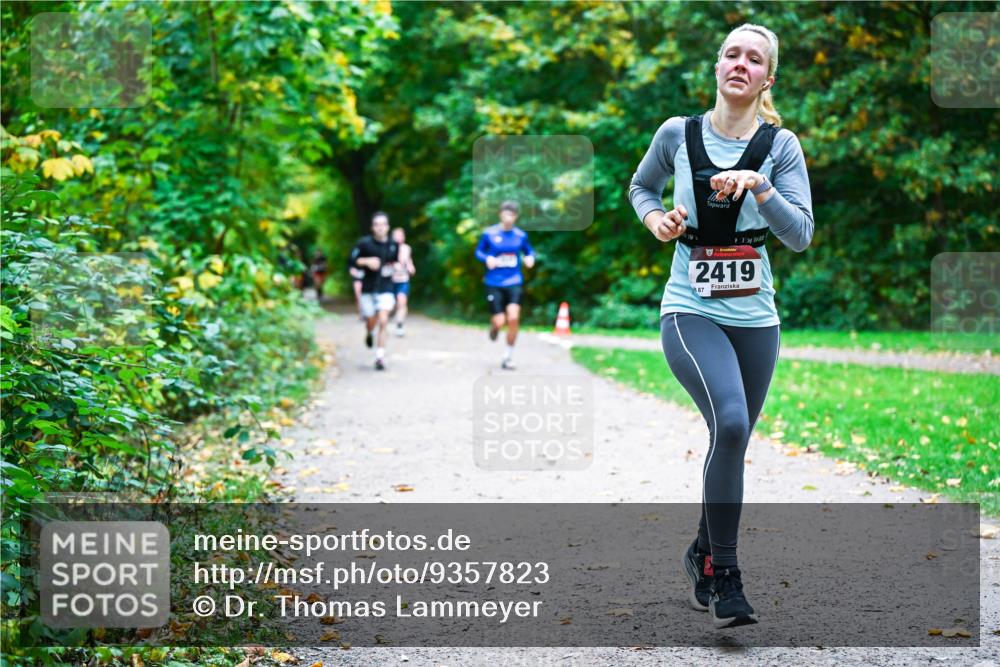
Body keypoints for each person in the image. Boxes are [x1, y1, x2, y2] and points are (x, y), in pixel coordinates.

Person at [628, 23, 813, 629]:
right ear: (717, 66)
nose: (740, 63)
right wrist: (656, 218)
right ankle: (724, 576)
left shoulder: (780, 147)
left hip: (757, 316)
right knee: (730, 421)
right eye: (731, 54)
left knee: (730, 437)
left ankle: (700, 550)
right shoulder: (677, 135)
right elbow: (640, 186)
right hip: (690, 308)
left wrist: (761, 189)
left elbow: (800, 235)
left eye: (754, 58)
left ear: (767, 77)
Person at [474, 200, 535, 370]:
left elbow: (529, 251)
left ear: (516, 217)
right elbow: (478, 252)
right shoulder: (489, 234)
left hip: (514, 281)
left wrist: (530, 258)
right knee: (500, 321)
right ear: (500, 214)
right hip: (493, 282)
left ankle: (508, 356)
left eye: (512, 215)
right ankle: (494, 328)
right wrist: (488, 258)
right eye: (506, 214)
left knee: (514, 317)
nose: (509, 218)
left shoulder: (520, 236)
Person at [348, 212, 400, 371]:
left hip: (386, 288)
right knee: (371, 320)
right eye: (377, 224)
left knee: (383, 320)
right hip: (368, 288)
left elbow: (395, 263)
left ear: (388, 226)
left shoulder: (393, 245)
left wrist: (396, 268)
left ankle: (380, 356)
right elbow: (352, 261)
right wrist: (367, 261)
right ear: (372, 227)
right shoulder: (364, 244)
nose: (380, 228)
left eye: (383, 224)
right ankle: (369, 332)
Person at [390, 227, 416, 336]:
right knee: (391, 304)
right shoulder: (389, 248)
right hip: (391, 280)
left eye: (401, 235)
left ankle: (399, 324)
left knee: (402, 302)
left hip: (403, 279)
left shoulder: (407, 248)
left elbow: (408, 261)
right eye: (397, 235)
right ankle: (389, 320)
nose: (399, 238)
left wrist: (411, 267)